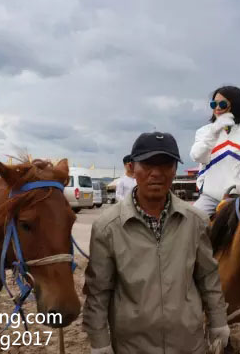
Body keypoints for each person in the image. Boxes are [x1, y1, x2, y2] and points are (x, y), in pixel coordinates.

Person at [83, 132, 230, 354]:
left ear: (175, 170)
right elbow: (98, 291)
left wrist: (219, 321)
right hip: (131, 347)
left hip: (189, 344)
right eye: (148, 164)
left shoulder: (195, 221)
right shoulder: (108, 226)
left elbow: (208, 277)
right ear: (132, 169)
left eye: (166, 165)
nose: (157, 173)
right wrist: (100, 341)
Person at [190, 85, 240, 217]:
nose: (217, 108)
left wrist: (238, 191)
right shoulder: (204, 131)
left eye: (222, 104)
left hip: (237, 197)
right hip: (209, 197)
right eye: (213, 104)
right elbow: (198, 156)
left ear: (235, 105)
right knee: (191, 223)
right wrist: (214, 132)